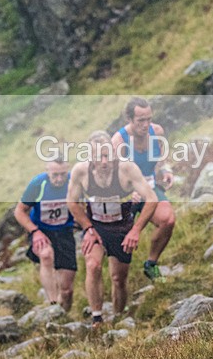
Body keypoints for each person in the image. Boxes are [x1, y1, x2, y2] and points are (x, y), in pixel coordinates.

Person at [67, 130, 157, 326]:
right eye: (99, 157)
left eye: (108, 155)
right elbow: (72, 202)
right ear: (90, 157)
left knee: (118, 278)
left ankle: (118, 316)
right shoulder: (80, 171)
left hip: (121, 228)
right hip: (96, 227)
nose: (104, 162)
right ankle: (97, 318)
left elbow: (151, 199)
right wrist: (88, 228)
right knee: (93, 265)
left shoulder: (126, 169)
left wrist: (136, 230)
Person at [111, 97, 175, 283]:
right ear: (129, 120)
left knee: (168, 220)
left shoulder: (157, 131)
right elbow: (112, 178)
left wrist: (165, 170)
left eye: (149, 119)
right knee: (120, 257)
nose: (146, 124)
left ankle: (151, 264)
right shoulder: (119, 141)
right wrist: (127, 192)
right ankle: (118, 282)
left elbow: (161, 156)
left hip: (150, 189)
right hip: (126, 196)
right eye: (141, 120)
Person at [14, 156, 77, 311]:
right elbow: (19, 212)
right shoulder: (38, 184)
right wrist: (35, 232)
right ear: (47, 171)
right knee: (46, 255)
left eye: (63, 174)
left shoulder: (73, 181)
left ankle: (64, 312)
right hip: (42, 230)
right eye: (55, 175)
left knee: (67, 291)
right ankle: (52, 304)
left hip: (64, 231)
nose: (59, 178)